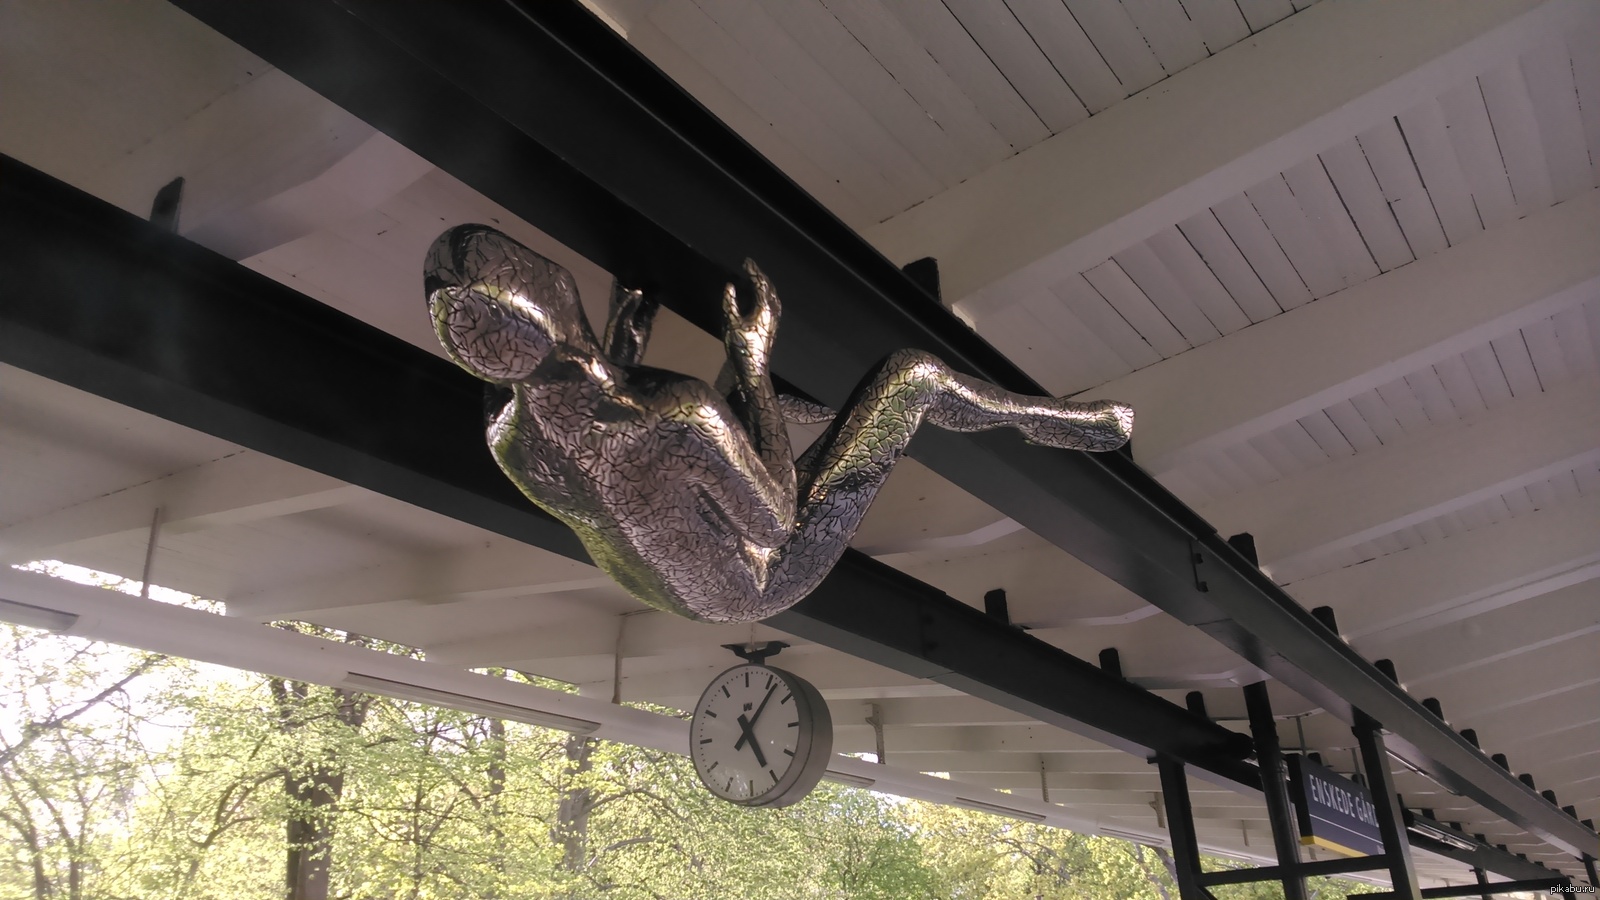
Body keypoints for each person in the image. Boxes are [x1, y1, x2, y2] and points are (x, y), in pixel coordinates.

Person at [426, 225, 1133, 623]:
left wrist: (629, 320)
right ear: (555, 290)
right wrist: (753, 358)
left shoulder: (510, 439)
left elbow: (589, 404)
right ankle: (1061, 423)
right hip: (762, 577)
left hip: (680, 591)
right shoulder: (675, 414)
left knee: (735, 411)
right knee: (913, 379)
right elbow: (774, 520)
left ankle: (843, 411)